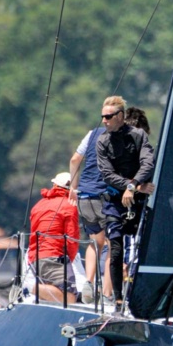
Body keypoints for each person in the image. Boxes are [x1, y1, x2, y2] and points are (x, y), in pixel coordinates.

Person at [96, 96, 155, 307]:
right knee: (116, 249)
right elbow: (106, 174)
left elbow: (148, 163)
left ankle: (141, 295)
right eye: (102, 116)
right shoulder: (102, 141)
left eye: (108, 116)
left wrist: (134, 187)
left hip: (138, 202)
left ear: (120, 116)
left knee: (143, 247)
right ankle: (118, 298)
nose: (104, 120)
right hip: (114, 201)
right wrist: (133, 186)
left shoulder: (138, 135)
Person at [69, 122, 110, 304]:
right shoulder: (121, 135)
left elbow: (74, 160)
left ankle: (88, 283)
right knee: (113, 245)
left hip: (84, 196)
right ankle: (108, 295)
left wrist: (73, 187)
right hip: (104, 196)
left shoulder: (91, 134)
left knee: (95, 242)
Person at [27, 172, 80, 304]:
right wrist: (69, 260)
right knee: (69, 297)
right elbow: (71, 239)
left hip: (35, 257)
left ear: (55, 185)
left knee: (52, 298)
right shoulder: (69, 205)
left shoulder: (38, 205)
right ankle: (26, 287)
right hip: (54, 257)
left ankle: (29, 287)